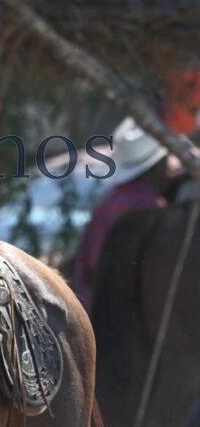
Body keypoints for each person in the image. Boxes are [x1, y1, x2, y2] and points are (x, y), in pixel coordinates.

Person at [73, 116, 183, 311]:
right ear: (157, 166)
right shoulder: (151, 206)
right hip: (126, 306)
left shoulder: (110, 201)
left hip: (91, 303)